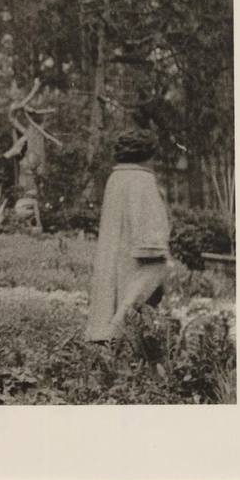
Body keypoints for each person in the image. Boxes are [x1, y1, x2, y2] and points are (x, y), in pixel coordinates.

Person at [85, 128, 172, 342]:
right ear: (150, 155)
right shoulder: (142, 182)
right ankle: (117, 328)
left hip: (113, 285)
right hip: (132, 289)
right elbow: (153, 252)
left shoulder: (116, 179)